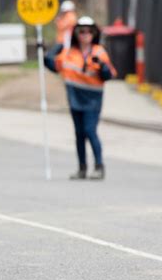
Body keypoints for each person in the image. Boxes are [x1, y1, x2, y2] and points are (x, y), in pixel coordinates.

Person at [44, 16, 116, 180]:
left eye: (88, 32)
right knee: (79, 134)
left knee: (90, 131)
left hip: (93, 100)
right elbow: (51, 63)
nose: (85, 35)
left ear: (93, 33)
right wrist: (57, 46)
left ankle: (99, 166)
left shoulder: (99, 52)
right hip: (75, 99)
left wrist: (102, 67)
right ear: (76, 34)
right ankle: (82, 168)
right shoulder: (69, 53)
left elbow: (109, 75)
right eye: (81, 31)